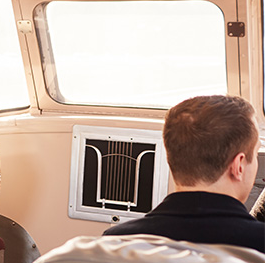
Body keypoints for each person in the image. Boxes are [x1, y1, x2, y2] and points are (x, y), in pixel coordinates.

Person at [105, 95, 264, 252]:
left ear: (171, 157)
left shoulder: (114, 242)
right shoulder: (258, 245)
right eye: (255, 153)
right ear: (239, 165)